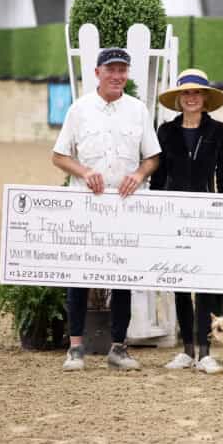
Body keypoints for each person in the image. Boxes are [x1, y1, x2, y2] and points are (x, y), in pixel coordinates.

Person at [52, 47, 161, 372]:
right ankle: (75, 349)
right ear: (97, 73)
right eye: (111, 69)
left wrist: (140, 174)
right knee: (79, 275)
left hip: (125, 206)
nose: (117, 76)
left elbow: (153, 156)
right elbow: (59, 155)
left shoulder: (138, 110)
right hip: (88, 207)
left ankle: (119, 347)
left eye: (122, 70)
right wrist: (84, 172)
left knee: (123, 275)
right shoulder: (79, 110)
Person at [152, 69, 223, 375]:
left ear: (205, 98)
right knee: (180, 284)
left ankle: (205, 351)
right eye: (186, 93)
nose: (191, 98)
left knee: (207, 286)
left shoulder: (219, 131)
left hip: (206, 215)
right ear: (179, 98)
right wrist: (157, 213)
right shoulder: (166, 131)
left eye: (197, 93)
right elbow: (158, 178)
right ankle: (186, 350)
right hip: (173, 213)